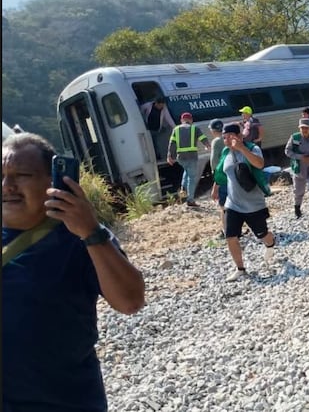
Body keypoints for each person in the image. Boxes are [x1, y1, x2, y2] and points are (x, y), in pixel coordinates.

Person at [2, 132, 145, 411]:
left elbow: (131, 301)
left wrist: (90, 232)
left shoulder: (80, 237)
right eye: (2, 175)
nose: (7, 185)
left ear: (54, 182)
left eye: (22, 175)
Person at [211, 123, 276, 281]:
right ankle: (240, 269)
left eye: (230, 137)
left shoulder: (252, 148)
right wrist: (215, 187)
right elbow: (221, 171)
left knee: (262, 234)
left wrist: (242, 149)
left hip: (253, 204)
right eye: (224, 137)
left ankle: (270, 244)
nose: (226, 140)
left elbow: (259, 164)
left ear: (239, 136)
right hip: (233, 203)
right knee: (230, 236)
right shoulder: (226, 152)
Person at [167, 112, 210, 207]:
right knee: (192, 178)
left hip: (181, 157)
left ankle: (183, 187)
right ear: (191, 120)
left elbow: (172, 143)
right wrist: (207, 145)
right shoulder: (195, 128)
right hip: (192, 156)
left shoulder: (176, 129)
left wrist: (170, 156)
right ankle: (190, 200)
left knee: (186, 171)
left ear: (182, 120)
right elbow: (203, 138)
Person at [208, 118, 227, 237]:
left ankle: (226, 231)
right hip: (232, 175)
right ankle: (237, 228)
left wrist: (215, 183)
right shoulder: (228, 138)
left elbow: (215, 163)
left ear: (213, 130)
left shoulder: (216, 141)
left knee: (224, 206)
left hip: (222, 177)